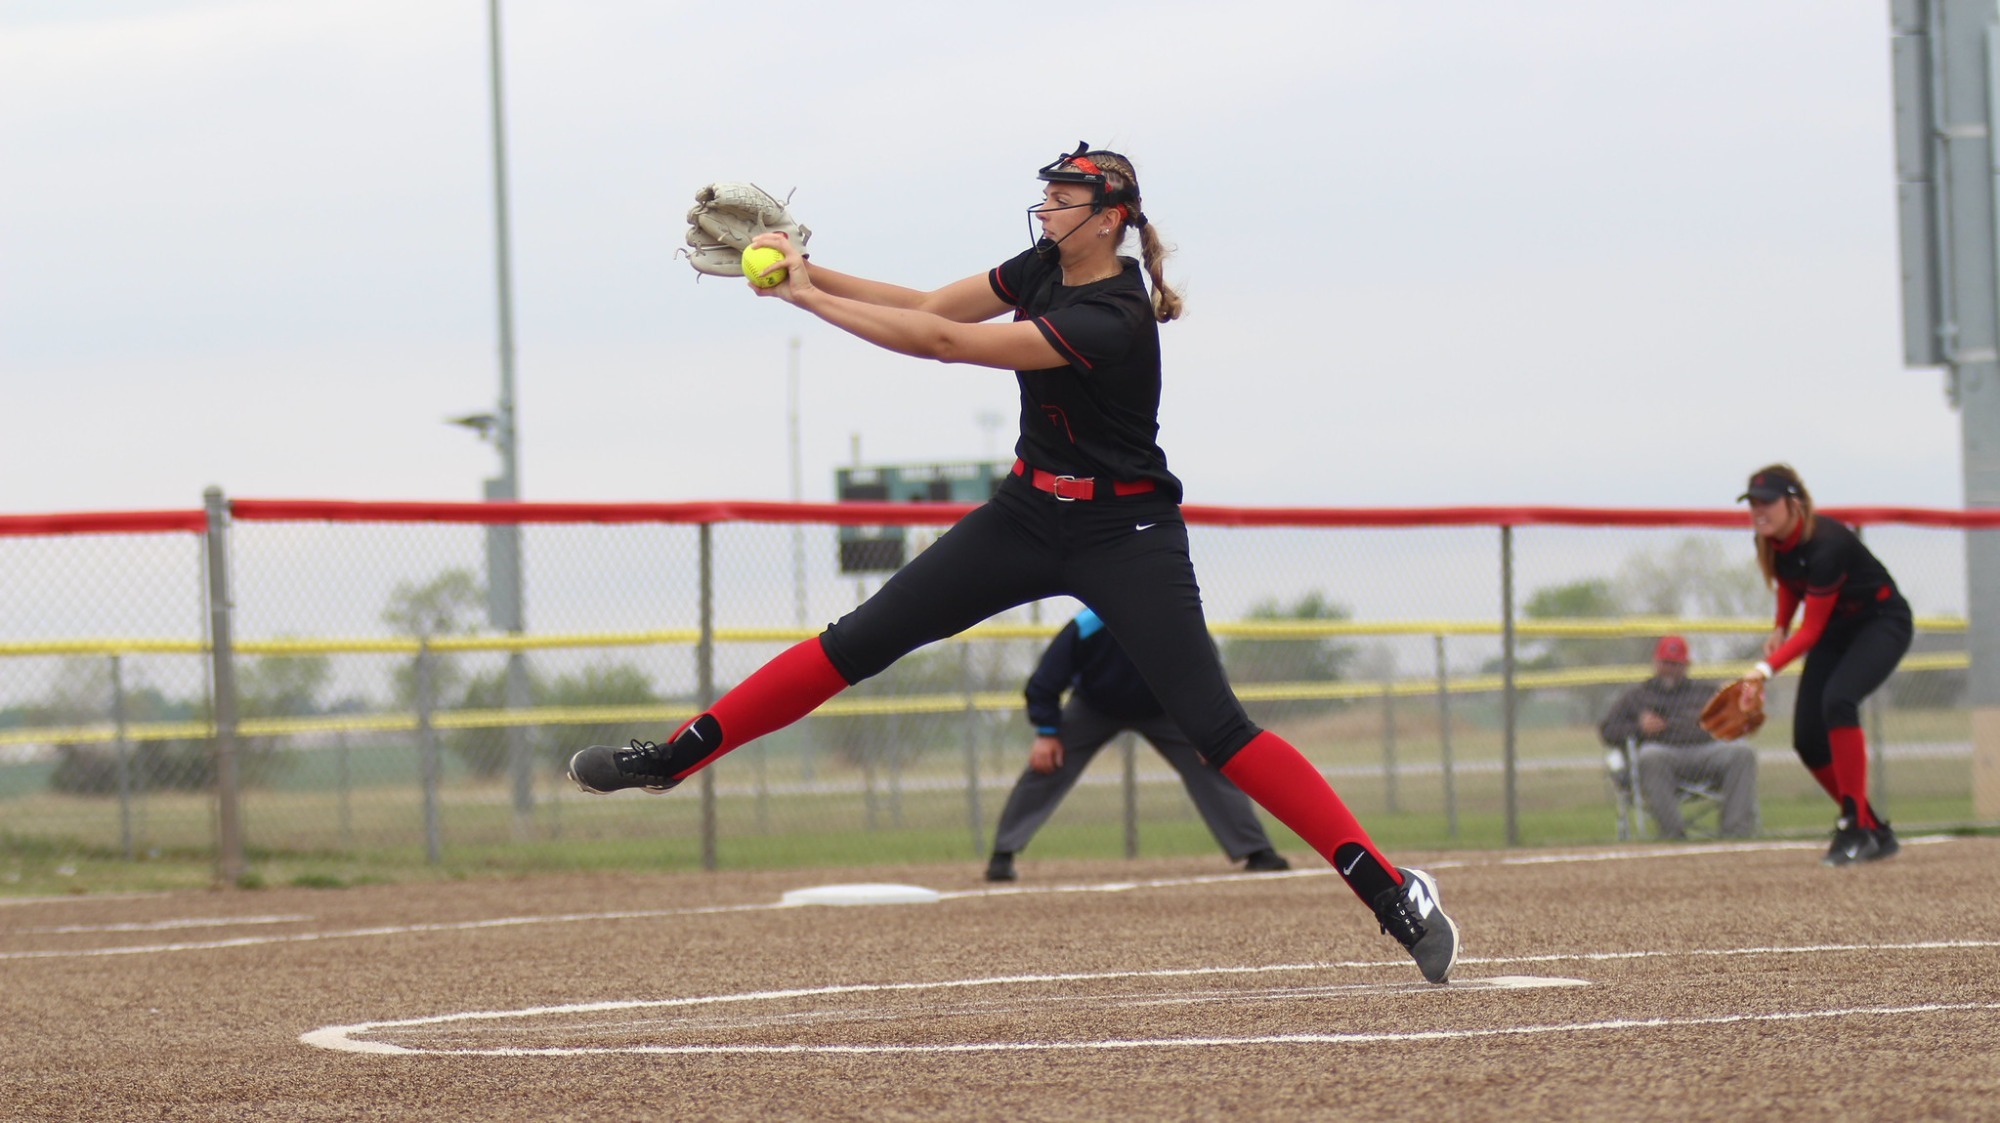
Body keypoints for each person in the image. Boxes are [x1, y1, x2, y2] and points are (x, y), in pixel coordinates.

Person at [568, 142, 1458, 982]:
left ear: (1110, 219)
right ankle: (673, 757)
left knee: (1219, 731)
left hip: (1127, 534)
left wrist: (805, 298)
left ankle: (1390, 889)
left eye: (1066, 197)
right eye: (1049, 192)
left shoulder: (1112, 313)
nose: (1048, 206)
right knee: (856, 641)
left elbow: (947, 347)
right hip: (1028, 512)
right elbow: (927, 306)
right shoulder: (1042, 266)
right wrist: (810, 266)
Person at [985, 607, 1290, 882]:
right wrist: (1046, 733)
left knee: (1211, 761)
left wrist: (1208, 730)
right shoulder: (1088, 623)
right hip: (1094, 706)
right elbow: (1044, 682)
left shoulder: (1175, 619)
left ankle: (1257, 851)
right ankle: (1003, 855)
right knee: (1047, 764)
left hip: (1165, 708)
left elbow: (1207, 677)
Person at [1735, 464, 1910, 865]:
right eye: (1753, 503)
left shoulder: (1828, 542)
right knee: (1808, 739)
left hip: (1881, 623)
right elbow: (1790, 582)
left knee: (1838, 700)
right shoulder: (1771, 542)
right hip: (1838, 630)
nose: (1759, 510)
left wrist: (1763, 671)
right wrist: (1780, 625)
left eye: (1768, 502)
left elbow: (1811, 632)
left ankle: (1854, 826)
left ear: (1792, 503)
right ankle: (1873, 828)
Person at [1598, 635, 1758, 840]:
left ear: (1686, 665)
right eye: (1666, 663)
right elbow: (1607, 731)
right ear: (1655, 663)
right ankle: (1673, 834)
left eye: (1676, 664)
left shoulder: (1705, 692)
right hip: (1665, 759)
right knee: (1650, 755)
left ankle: (1736, 833)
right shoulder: (1636, 696)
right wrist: (1639, 728)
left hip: (1705, 755)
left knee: (1742, 752)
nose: (1670, 669)